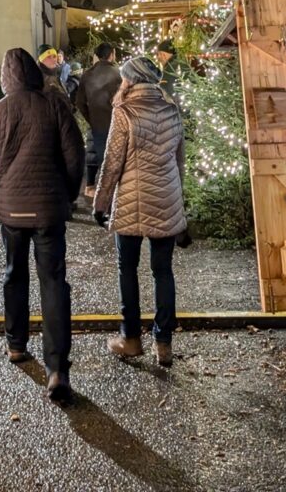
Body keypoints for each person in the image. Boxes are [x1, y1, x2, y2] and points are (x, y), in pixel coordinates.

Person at [0, 47, 85, 404]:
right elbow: (75, 157)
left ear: (6, 78)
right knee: (53, 282)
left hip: (11, 213)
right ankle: (56, 369)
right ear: (35, 74)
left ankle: (16, 343)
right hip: (49, 210)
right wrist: (65, 197)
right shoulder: (55, 106)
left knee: (14, 273)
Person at [93, 54, 189, 368]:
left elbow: (112, 163)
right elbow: (179, 161)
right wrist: (178, 196)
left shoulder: (125, 112)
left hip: (132, 202)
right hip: (166, 199)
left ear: (131, 80)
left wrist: (101, 203)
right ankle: (164, 343)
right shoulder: (172, 110)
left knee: (127, 268)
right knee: (163, 272)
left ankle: (130, 338)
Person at [75, 42, 120, 197]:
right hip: (117, 124)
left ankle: (104, 196)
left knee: (103, 161)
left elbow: (79, 102)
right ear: (111, 54)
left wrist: (91, 118)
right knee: (117, 161)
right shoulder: (118, 73)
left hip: (98, 125)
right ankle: (115, 195)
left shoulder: (87, 75)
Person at [156, 38, 182, 112]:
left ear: (163, 54)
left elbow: (165, 91)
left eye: (158, 55)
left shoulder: (169, 70)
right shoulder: (181, 63)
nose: (158, 58)